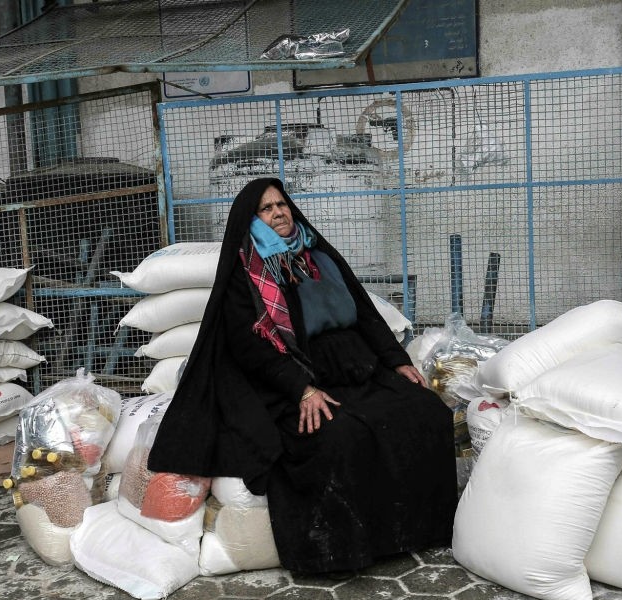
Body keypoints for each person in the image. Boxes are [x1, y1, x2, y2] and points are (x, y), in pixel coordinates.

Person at [148, 177, 457, 575]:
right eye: (267, 208)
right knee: (339, 434)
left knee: (426, 410)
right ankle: (348, 549)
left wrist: (396, 360)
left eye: (282, 204)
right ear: (251, 219)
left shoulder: (317, 255)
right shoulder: (248, 275)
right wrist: (302, 389)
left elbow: (364, 311)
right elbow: (251, 348)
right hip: (293, 381)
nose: (278, 212)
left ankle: (420, 529)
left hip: (358, 370)